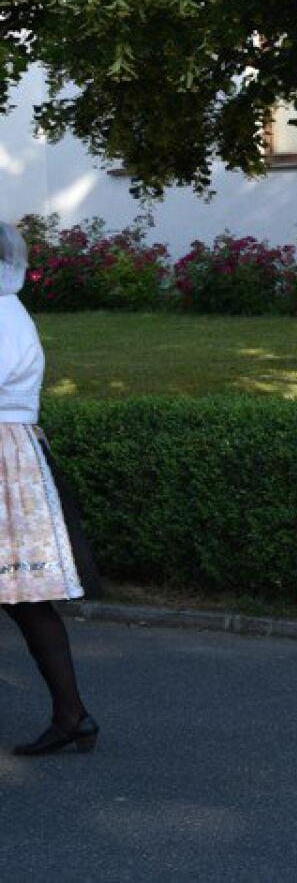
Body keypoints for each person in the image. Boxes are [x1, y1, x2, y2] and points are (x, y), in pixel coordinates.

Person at [0, 222, 102, 755]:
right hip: (13, 454)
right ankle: (71, 714)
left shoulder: (3, 316)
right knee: (25, 602)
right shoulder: (11, 312)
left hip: (5, 455)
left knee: (28, 601)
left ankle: (71, 713)